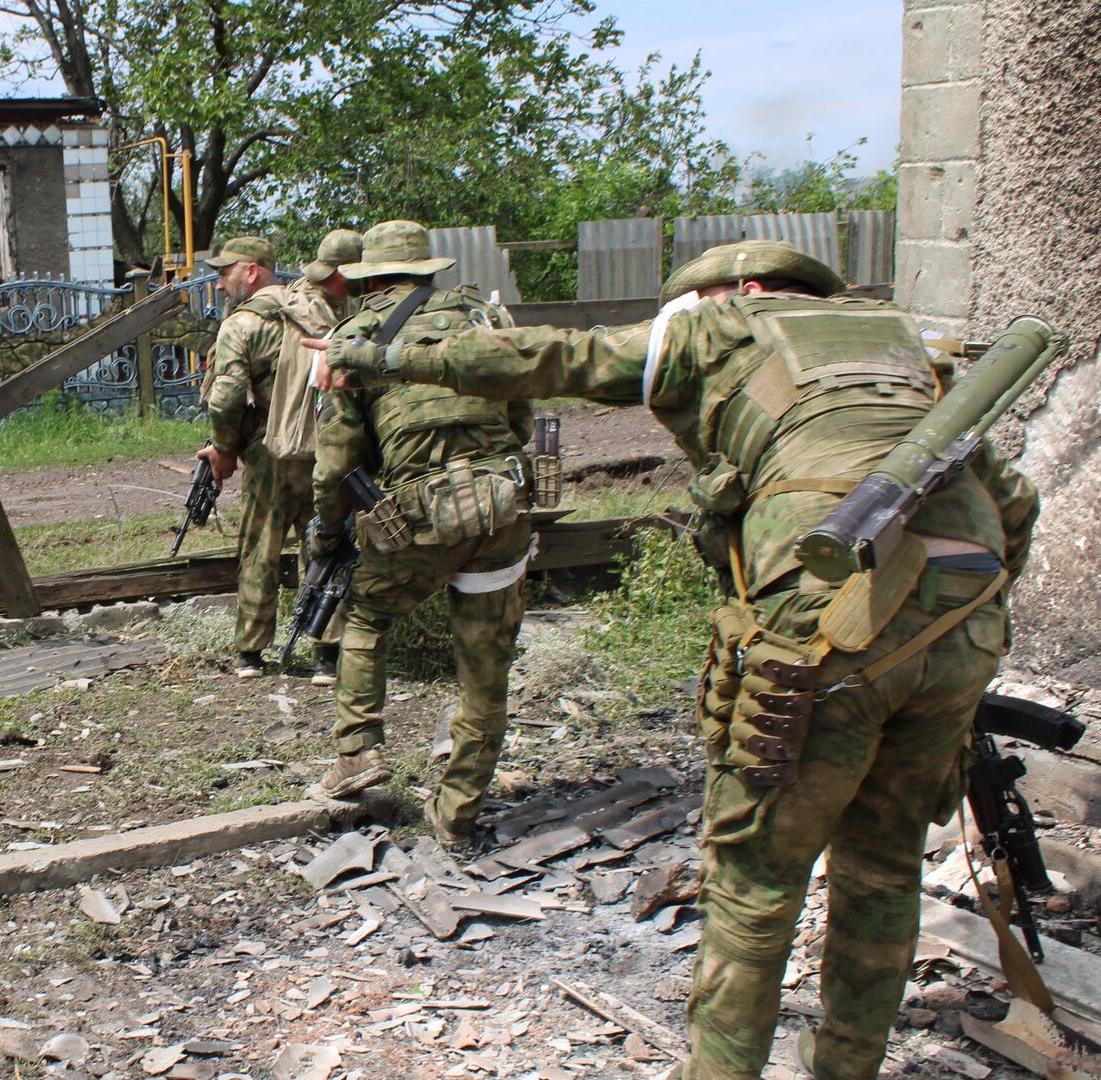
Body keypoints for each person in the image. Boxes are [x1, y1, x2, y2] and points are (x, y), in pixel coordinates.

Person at [320, 239, 1041, 1079]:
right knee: (883, 867)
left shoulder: (727, 326)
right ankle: (847, 1065)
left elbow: (551, 356)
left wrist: (386, 354)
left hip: (827, 614)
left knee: (754, 876)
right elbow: (1012, 500)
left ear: (746, 288)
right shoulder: (901, 353)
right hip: (965, 615)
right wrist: (967, 625)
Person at [308, 220, 536, 852]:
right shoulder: (487, 319)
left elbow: (336, 462)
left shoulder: (354, 337)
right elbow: (520, 416)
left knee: (368, 618)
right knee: (485, 664)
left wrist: (328, 536)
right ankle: (459, 810)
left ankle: (359, 751)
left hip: (416, 515)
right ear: (431, 272)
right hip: (499, 507)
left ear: (369, 278)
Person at [198, 232, 357, 682]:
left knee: (260, 547)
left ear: (252, 271)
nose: (219, 283)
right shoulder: (316, 308)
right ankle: (328, 653)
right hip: (324, 445)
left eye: (225, 273)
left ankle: (251, 653)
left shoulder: (242, 324)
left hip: (269, 450)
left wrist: (224, 450)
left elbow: (226, 398)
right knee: (324, 542)